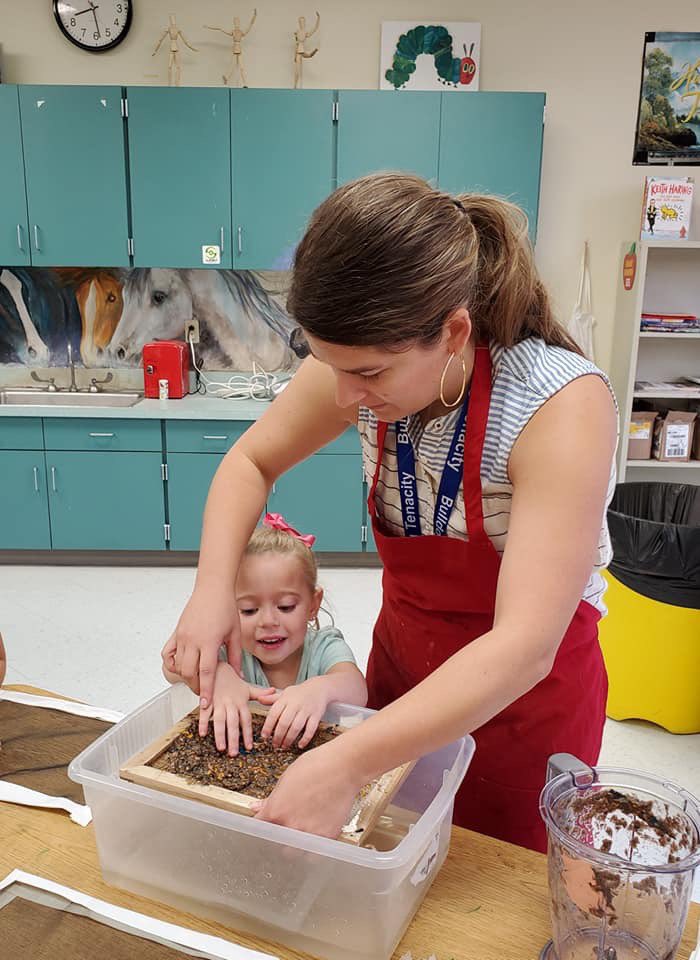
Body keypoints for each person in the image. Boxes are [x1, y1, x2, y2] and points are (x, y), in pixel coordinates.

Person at [167, 173, 618, 852]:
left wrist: (348, 759)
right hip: (405, 669)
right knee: (388, 860)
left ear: (454, 331)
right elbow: (249, 463)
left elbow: (525, 646)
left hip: (525, 707)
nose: (344, 397)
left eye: (370, 375)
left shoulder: (559, 407)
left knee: (492, 896)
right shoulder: (360, 357)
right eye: (329, 365)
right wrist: (209, 592)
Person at [163, 513, 367, 756]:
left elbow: (357, 689)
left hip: (315, 763)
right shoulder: (227, 650)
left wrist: (320, 690)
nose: (268, 621)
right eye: (248, 610)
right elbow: (172, 668)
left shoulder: (324, 646)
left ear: (313, 604)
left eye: (286, 607)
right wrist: (218, 673)